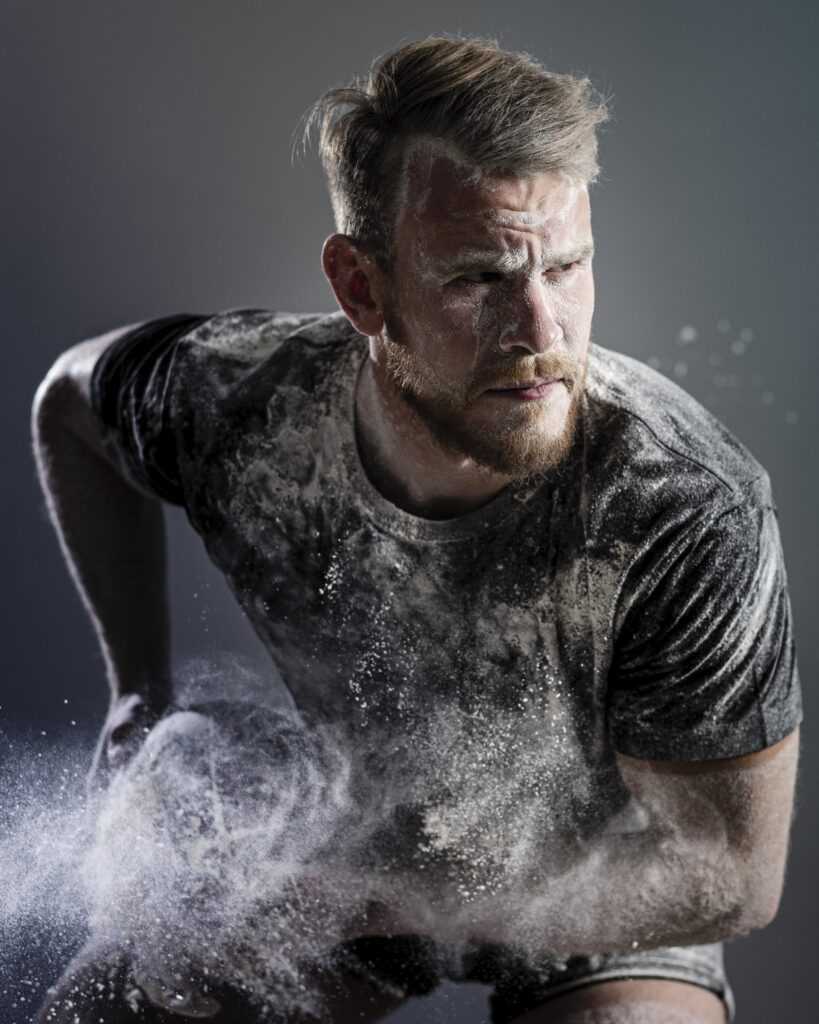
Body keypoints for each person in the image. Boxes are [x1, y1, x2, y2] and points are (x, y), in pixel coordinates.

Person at [32, 35, 801, 1024]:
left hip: (605, 896)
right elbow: (69, 404)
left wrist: (378, 898)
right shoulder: (245, 403)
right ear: (361, 286)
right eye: (478, 279)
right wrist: (136, 687)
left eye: (567, 266)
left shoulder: (683, 505)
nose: (542, 334)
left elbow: (730, 875)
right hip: (360, 846)